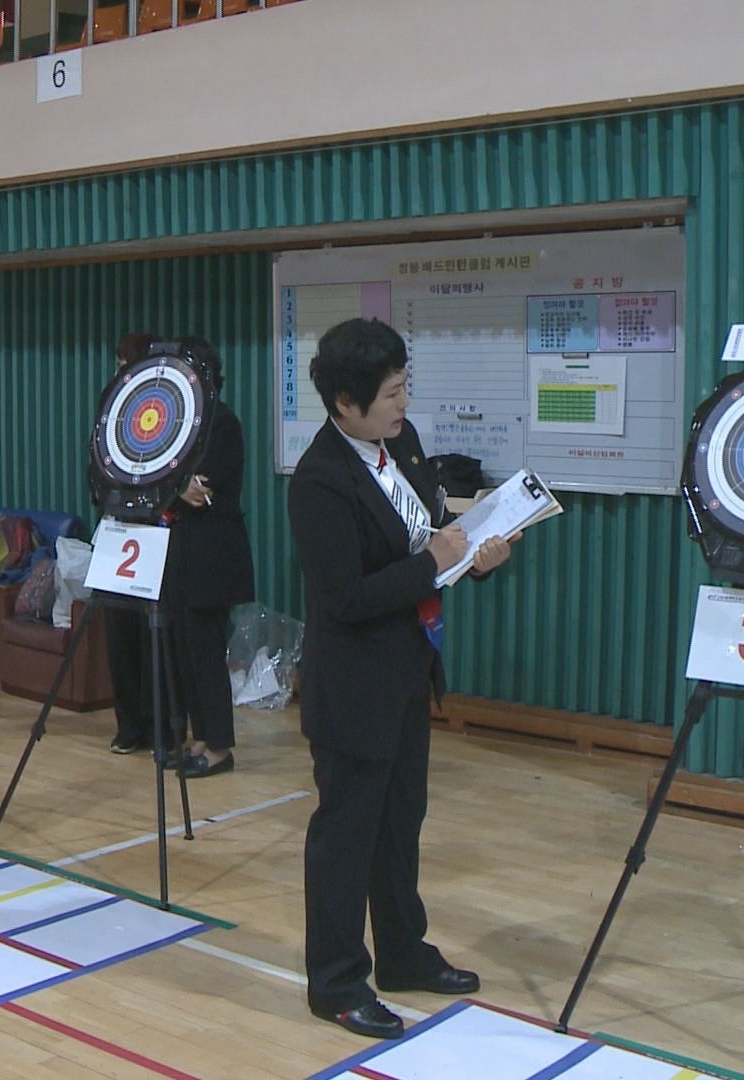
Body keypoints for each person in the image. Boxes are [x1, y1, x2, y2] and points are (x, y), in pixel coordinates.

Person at [289, 317, 515, 1041]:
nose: (402, 402)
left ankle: (402, 954)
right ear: (345, 404)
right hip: (353, 685)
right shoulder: (320, 481)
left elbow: (427, 534)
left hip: (409, 670)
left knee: (400, 824)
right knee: (346, 837)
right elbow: (346, 597)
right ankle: (335, 980)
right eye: (389, 393)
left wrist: (471, 551)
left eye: (404, 386)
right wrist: (432, 562)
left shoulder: (403, 444)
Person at [162, 336, 253, 778]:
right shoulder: (184, 421)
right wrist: (171, 486)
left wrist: (171, 486)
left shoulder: (223, 422)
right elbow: (170, 484)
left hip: (213, 554)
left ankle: (219, 746)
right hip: (182, 552)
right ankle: (199, 736)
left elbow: (198, 491)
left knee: (206, 652)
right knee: (184, 649)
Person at [102, 331, 161, 756]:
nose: (119, 372)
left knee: (153, 636)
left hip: (157, 535)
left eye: (125, 363)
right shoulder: (111, 408)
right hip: (117, 531)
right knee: (119, 635)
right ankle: (128, 725)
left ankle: (160, 727)